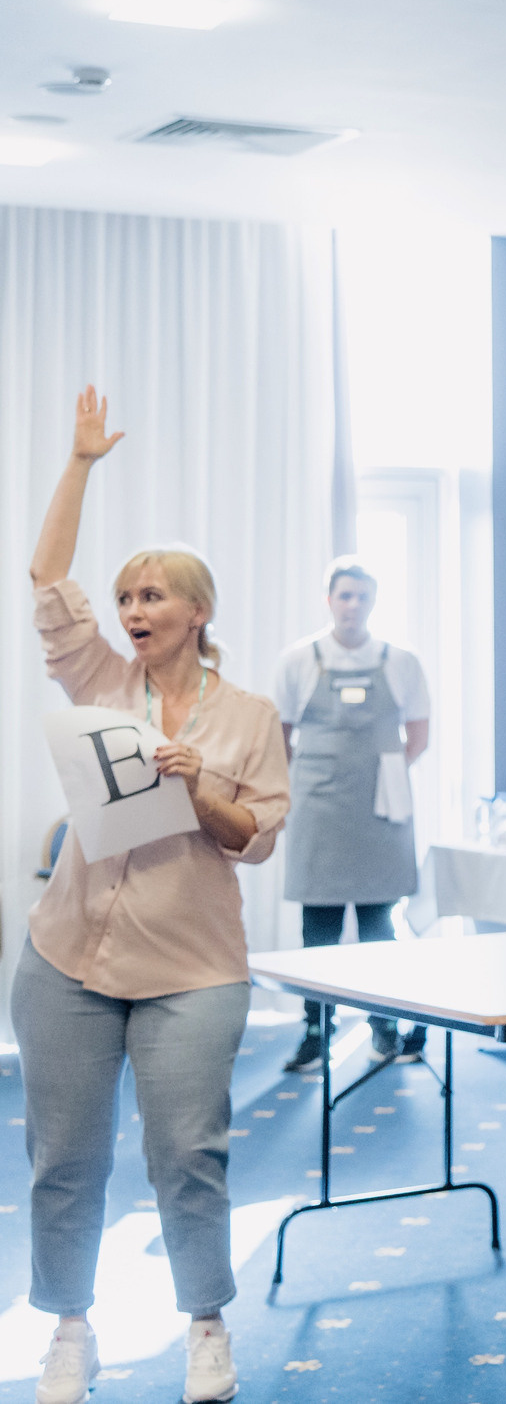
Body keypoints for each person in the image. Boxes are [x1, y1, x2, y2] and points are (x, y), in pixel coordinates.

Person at [19, 387, 288, 1404]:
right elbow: (47, 577)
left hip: (192, 967)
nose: (132, 612)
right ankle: (68, 1332)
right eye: (126, 596)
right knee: (64, 1159)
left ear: (197, 612)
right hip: (66, 957)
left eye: (152, 597)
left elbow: (255, 836)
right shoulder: (98, 680)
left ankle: (205, 1327)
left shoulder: (249, 714)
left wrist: (199, 786)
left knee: (185, 1154)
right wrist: (81, 463)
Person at [274, 555, 433, 1069]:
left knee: (379, 927)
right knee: (318, 929)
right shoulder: (299, 660)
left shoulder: (401, 661)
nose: (353, 605)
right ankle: (315, 1031)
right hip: (318, 808)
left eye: (362, 596)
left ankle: (383, 1028)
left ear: (374, 602)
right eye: (344, 595)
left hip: (380, 810)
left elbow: (418, 735)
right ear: (329, 600)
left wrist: (380, 774)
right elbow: (280, 737)